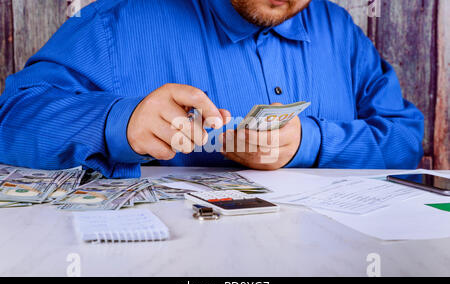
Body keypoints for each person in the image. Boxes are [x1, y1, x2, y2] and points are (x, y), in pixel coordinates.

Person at [0, 0, 424, 178]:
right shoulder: (118, 21)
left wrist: (309, 143)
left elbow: (404, 138)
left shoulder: (339, 29)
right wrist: (119, 122)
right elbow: (11, 120)